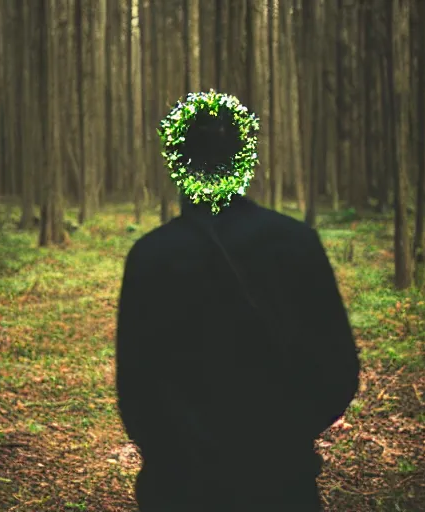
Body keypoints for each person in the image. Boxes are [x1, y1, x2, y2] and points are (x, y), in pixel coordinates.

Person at [116, 91, 360, 512]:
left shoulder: (150, 255)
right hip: (282, 485)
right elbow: (339, 369)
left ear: (176, 164)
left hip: (178, 490)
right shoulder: (296, 242)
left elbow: (134, 389)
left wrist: (176, 452)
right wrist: (286, 438)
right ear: (246, 161)